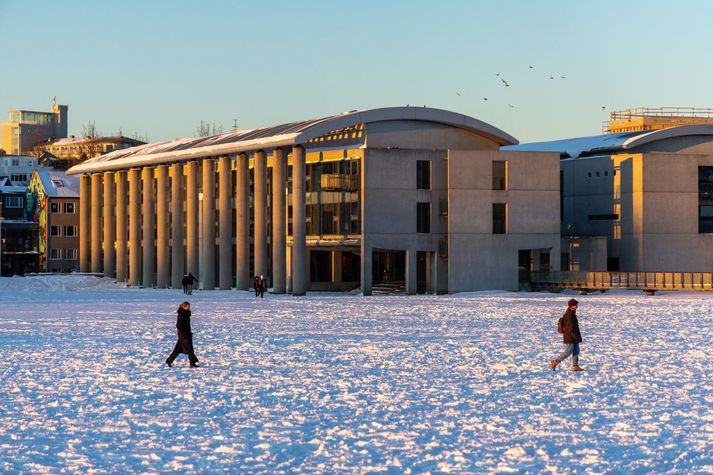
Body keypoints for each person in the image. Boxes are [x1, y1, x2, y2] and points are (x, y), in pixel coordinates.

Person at [551, 298, 583, 371]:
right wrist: (576, 337)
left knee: (576, 350)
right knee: (568, 351)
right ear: (572, 306)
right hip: (570, 336)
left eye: (577, 305)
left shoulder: (572, 313)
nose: (577, 306)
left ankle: (575, 366)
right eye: (575, 305)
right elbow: (570, 328)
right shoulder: (569, 314)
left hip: (574, 335)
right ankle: (555, 361)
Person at [165, 301, 199, 368]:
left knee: (177, 350)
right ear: (183, 306)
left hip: (186, 334)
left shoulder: (186, 313)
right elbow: (178, 325)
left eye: (189, 307)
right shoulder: (181, 314)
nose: (188, 308)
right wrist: (184, 332)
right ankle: (192, 362)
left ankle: (169, 361)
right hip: (184, 335)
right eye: (187, 307)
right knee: (190, 349)